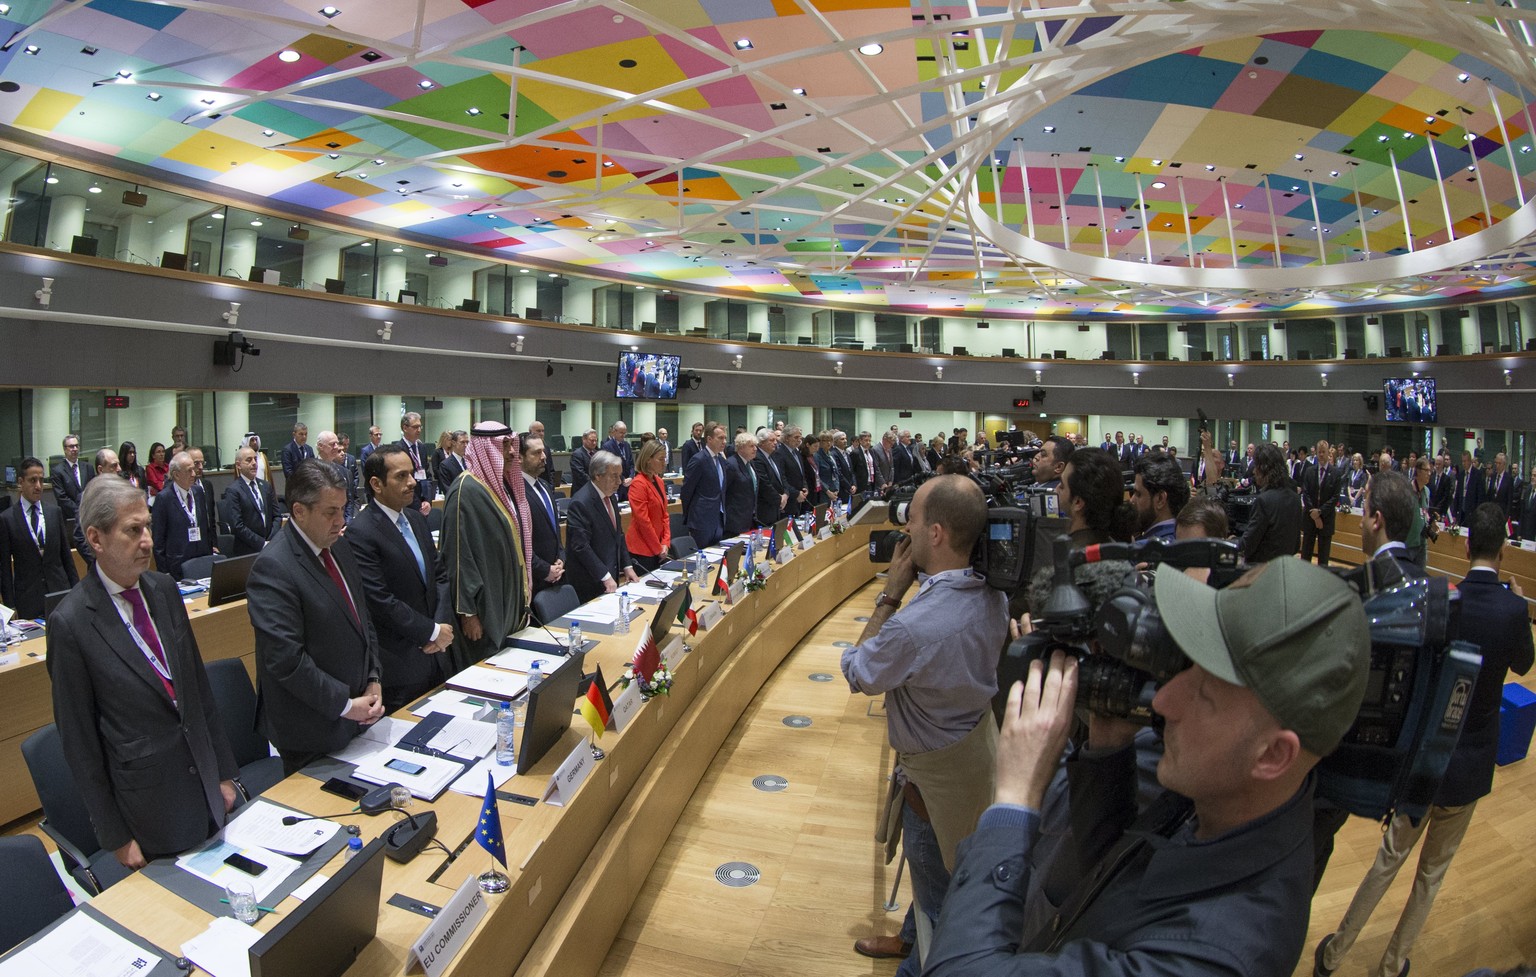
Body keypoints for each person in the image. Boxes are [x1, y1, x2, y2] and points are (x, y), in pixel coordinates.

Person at [924, 556, 1370, 977]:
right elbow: (1113, 866)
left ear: (1273, 755)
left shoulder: (1214, 955)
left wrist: (1015, 802)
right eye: (1184, 671)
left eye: (1204, 695)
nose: (1162, 701)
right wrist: (1107, 745)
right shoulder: (1232, 796)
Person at [1315, 503, 1533, 977]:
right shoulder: (1515, 609)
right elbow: (1523, 665)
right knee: (1431, 877)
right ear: (1502, 552)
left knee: (1387, 861)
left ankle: (1333, 954)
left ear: (1469, 543)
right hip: (1473, 764)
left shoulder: (1443, 597)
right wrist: (1517, 599)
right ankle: (1393, 966)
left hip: (1427, 759)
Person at [843, 475, 1007, 972]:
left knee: (939, 900)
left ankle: (924, 958)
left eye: (910, 518)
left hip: (932, 785)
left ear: (935, 534)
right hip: (975, 755)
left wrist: (890, 594)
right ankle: (911, 935)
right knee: (940, 876)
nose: (904, 529)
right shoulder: (994, 594)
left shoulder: (915, 626)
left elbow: (859, 671)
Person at [47, 476, 240, 867]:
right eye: (133, 530)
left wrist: (223, 771)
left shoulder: (164, 589)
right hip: (149, 806)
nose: (148, 541)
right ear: (96, 539)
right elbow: (80, 743)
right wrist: (114, 835)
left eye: (148, 526)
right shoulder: (71, 624)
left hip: (205, 782)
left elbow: (197, 689)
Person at [246, 460, 383, 775]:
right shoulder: (274, 568)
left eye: (343, 509)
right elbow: (286, 661)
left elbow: (363, 621)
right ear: (299, 511)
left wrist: (374, 678)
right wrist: (346, 705)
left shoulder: (339, 547)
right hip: (310, 730)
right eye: (330, 512)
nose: (341, 521)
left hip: (359, 714)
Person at [348, 446, 456, 713]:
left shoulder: (416, 520)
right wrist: (430, 631)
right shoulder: (361, 532)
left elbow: (439, 576)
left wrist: (440, 627)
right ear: (376, 484)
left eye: (412, 474)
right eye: (401, 476)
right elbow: (380, 601)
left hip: (438, 653)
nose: (412, 483)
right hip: (401, 662)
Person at [441, 423, 532, 672]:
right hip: (484, 604)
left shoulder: (497, 486)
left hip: (504, 591)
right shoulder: (465, 490)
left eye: (511, 444)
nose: (512, 451)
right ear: (485, 448)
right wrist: (468, 612)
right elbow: (458, 556)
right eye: (504, 445)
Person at [1, 457, 79, 618]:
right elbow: (5, 569)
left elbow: (66, 557)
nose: (38, 486)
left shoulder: (54, 512)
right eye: (32, 480)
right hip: (28, 598)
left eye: (41, 480)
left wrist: (77, 591)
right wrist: (10, 606)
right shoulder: (7, 519)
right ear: (20, 482)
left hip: (59, 592)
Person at [565, 451, 639, 602]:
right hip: (590, 581)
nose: (619, 481)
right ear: (598, 475)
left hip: (610, 577)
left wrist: (627, 566)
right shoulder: (581, 502)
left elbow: (618, 534)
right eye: (614, 476)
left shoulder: (610, 496)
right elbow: (581, 546)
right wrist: (604, 575)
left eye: (620, 475)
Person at [151, 451, 216, 580]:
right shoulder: (164, 498)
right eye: (189, 470)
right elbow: (158, 541)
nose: (194, 474)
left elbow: (206, 527)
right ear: (176, 474)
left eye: (194, 469)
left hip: (201, 561)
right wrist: (165, 573)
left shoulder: (198, 492)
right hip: (177, 566)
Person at [1055, 447, 1137, 548]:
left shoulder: (1066, 558)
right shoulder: (1118, 549)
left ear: (1078, 502)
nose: (1056, 489)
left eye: (1062, 486)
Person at [519, 435, 565, 595]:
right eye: (536, 453)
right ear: (519, 458)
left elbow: (555, 531)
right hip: (534, 579)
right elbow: (520, 542)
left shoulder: (544, 485)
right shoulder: (517, 493)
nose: (544, 457)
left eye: (543, 452)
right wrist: (545, 570)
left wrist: (561, 557)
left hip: (556, 572)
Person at [1241, 443, 1302, 563]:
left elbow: (1247, 546)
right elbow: (1295, 546)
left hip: (1260, 572)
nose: (1254, 471)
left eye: (1256, 466)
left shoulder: (1263, 501)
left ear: (1264, 468)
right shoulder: (1296, 499)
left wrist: (1230, 541)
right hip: (1283, 570)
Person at [222, 445, 281, 555]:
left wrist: (271, 540)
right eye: (249, 460)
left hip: (271, 545)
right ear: (238, 465)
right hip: (248, 550)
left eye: (255, 459)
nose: (254, 463)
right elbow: (237, 526)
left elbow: (277, 515)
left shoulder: (266, 486)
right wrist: (262, 543)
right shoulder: (233, 490)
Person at [626, 439, 672, 573]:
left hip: (659, 547)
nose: (664, 463)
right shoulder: (638, 484)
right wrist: (658, 548)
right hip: (642, 549)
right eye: (660, 459)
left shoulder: (659, 481)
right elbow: (643, 522)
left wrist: (665, 542)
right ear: (648, 460)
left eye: (665, 458)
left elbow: (665, 515)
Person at [682, 421, 729, 547]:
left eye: (725, 438)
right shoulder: (699, 459)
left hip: (718, 518)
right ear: (709, 439)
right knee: (703, 560)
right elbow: (686, 491)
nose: (724, 441)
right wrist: (690, 517)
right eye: (720, 438)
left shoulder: (721, 460)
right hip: (701, 520)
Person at [1300, 438, 1344, 567]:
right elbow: (1305, 493)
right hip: (1309, 518)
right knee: (1305, 556)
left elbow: (1335, 497)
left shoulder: (1336, 473)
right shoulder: (1309, 471)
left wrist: (1319, 512)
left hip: (1326, 519)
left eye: (1323, 452)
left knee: (1323, 559)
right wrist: (1313, 514)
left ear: (1328, 453)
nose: (1321, 454)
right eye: (1319, 452)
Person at [1131, 450, 1188, 544]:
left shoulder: (1144, 550)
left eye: (1138, 494)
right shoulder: (1184, 538)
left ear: (1160, 499)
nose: (1132, 500)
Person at [394, 412, 435, 515]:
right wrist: (418, 505)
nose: (419, 430)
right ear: (405, 428)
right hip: (408, 505)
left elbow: (427, 475)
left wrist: (427, 501)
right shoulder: (398, 450)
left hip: (424, 504)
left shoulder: (422, 448)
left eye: (420, 426)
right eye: (415, 427)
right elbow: (401, 481)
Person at [315, 430, 358, 523]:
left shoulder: (345, 472)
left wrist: (347, 523)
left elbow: (350, 500)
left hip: (342, 526)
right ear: (320, 446)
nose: (336, 447)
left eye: (337, 444)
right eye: (332, 444)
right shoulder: (310, 470)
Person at [725, 432, 762, 537]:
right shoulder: (731, 464)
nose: (755, 449)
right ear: (740, 448)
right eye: (751, 446)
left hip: (749, 517)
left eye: (756, 446)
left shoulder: (750, 463)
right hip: (735, 520)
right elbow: (723, 492)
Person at [50, 433, 92, 523]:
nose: (75, 449)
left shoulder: (88, 467)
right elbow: (62, 498)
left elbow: (93, 490)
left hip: (89, 517)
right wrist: (79, 512)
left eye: (77, 446)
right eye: (72, 446)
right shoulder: (57, 471)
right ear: (65, 449)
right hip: (70, 518)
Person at [776, 425, 809, 514]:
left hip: (800, 497)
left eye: (800, 437)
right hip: (788, 499)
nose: (799, 440)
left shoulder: (797, 452)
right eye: (796, 437)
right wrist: (796, 493)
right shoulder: (780, 453)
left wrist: (805, 487)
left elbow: (802, 474)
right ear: (786, 438)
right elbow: (782, 479)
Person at [601, 420, 635, 496]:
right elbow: (610, 467)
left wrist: (631, 477)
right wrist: (623, 479)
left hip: (629, 485)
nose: (623, 435)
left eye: (624, 433)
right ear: (614, 432)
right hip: (616, 485)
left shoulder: (627, 445)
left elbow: (631, 464)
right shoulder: (607, 446)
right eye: (621, 433)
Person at [437, 430, 467, 495]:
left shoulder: (469, 462)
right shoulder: (445, 465)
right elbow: (447, 489)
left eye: (467, 442)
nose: (465, 445)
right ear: (453, 443)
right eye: (462, 442)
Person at [569, 428, 599, 493]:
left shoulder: (597, 454)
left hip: (595, 490)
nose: (594, 443)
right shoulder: (577, 454)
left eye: (596, 440)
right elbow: (580, 475)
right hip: (581, 490)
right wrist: (596, 483)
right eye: (591, 440)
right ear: (584, 439)